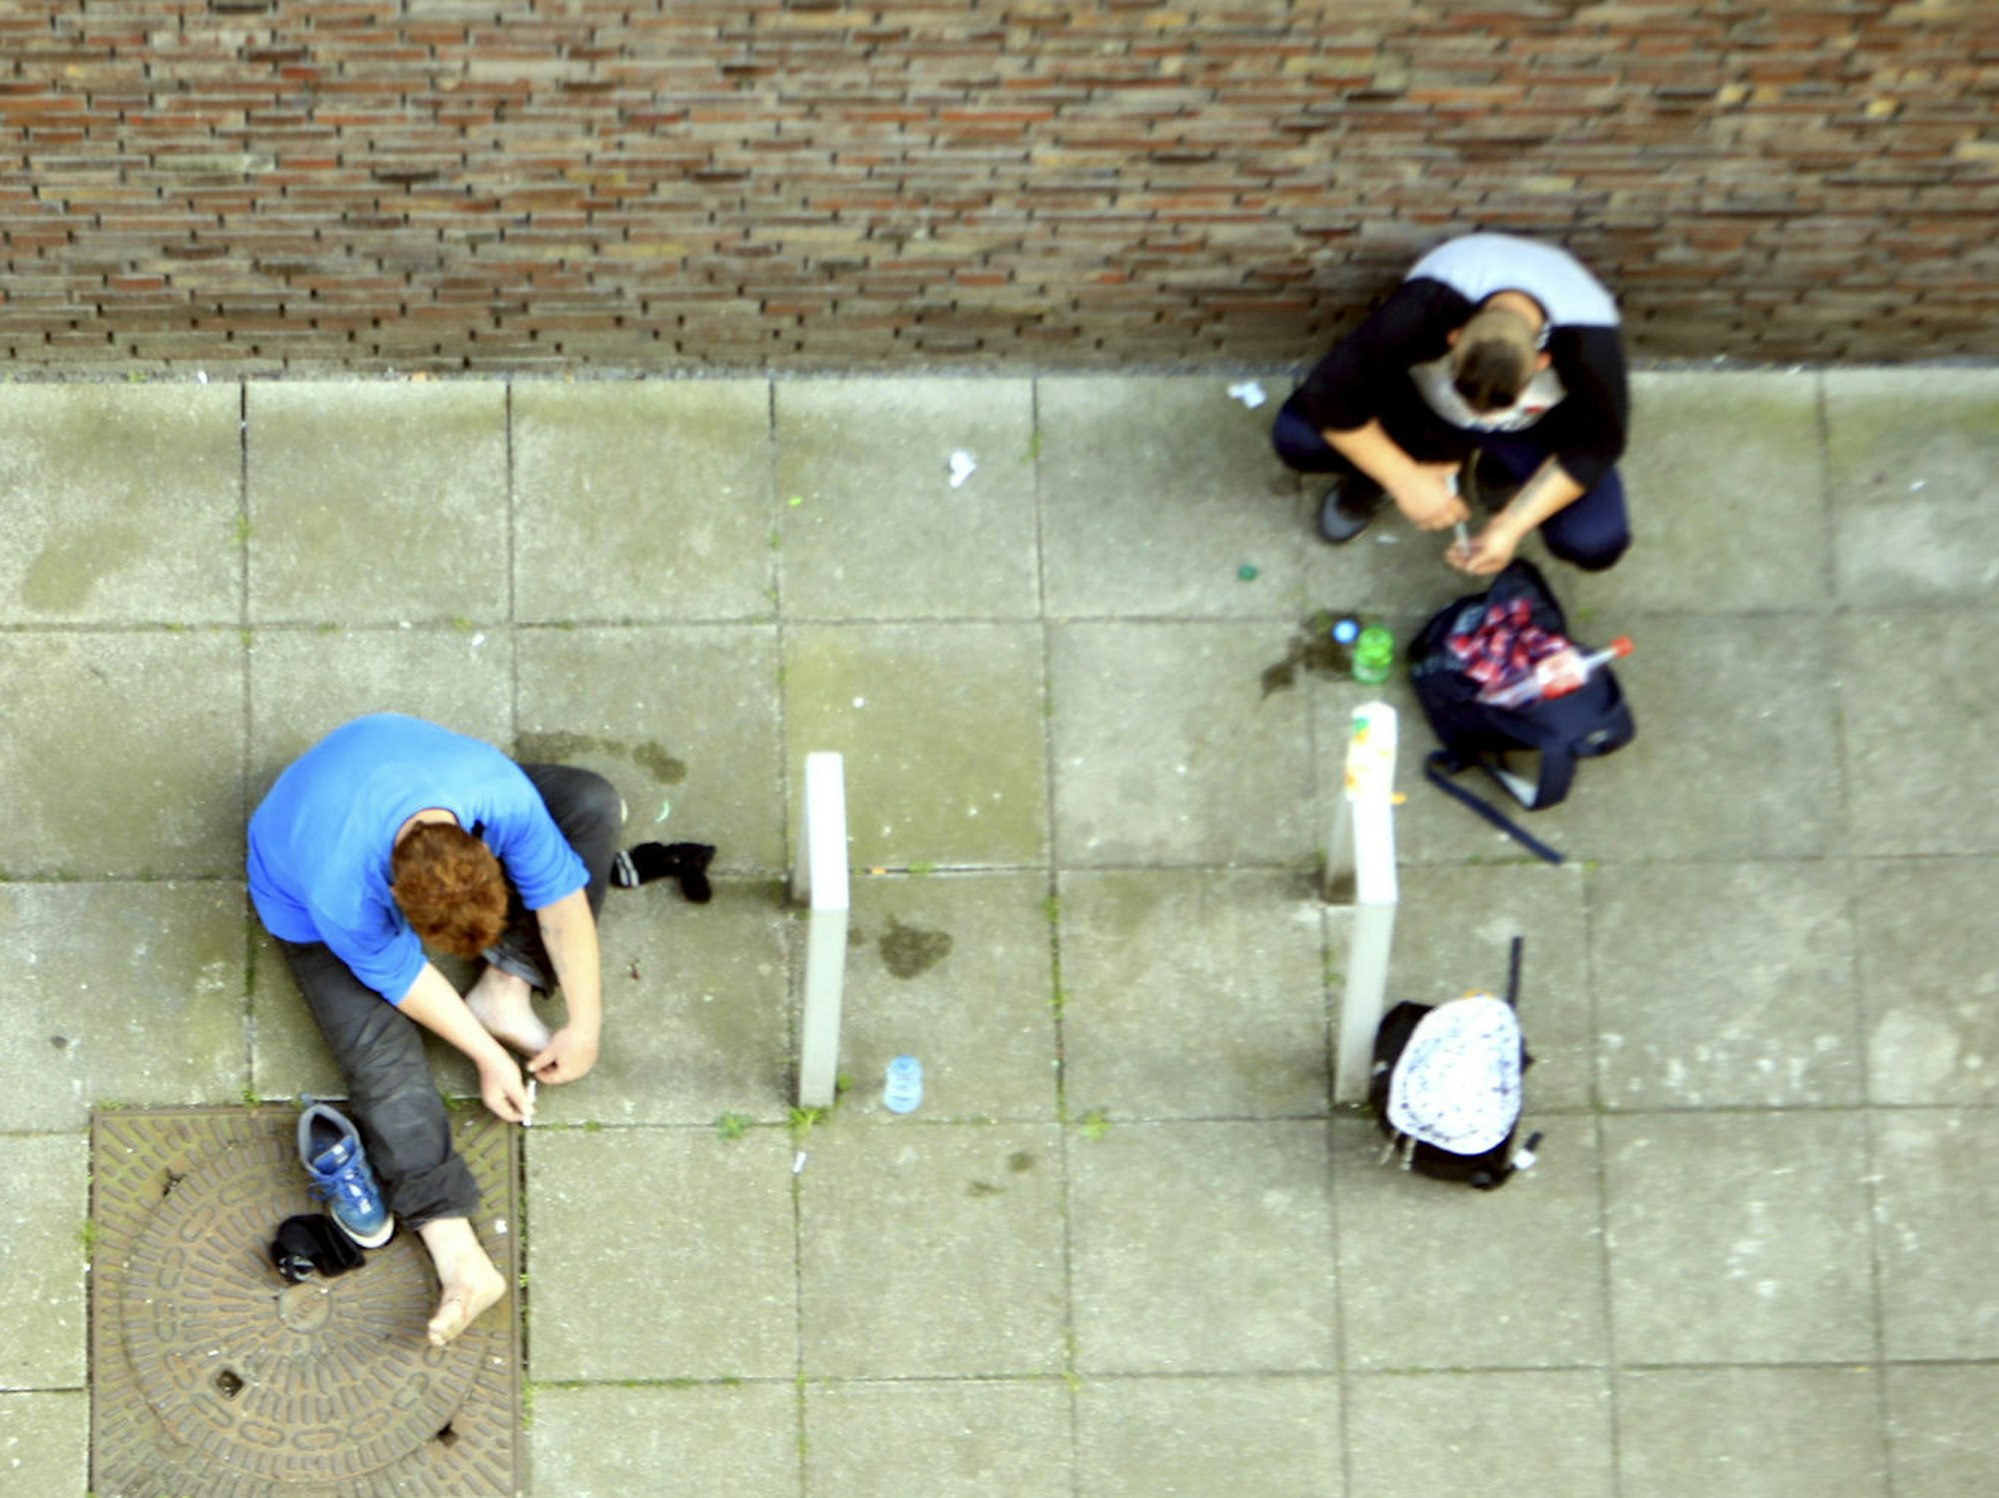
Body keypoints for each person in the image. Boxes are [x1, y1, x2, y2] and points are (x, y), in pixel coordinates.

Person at [248, 713, 621, 1348]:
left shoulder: (499, 796)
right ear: (393, 895)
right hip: (298, 882)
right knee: (378, 1053)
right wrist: (486, 1057)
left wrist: (586, 1024)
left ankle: (505, 990)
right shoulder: (344, 891)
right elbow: (406, 982)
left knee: (589, 803)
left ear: (486, 845)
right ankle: (456, 1252)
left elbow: (560, 904)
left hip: (385, 791)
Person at [1271, 231, 1631, 574]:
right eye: (1468, 395)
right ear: (1453, 338)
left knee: (1595, 538)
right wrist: (1401, 477)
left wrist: (1511, 525)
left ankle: (1499, 466)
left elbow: (1598, 446)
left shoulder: (1589, 341)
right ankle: (1377, 475)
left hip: (1526, 429)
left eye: (1498, 403)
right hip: (1426, 410)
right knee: (1297, 436)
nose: (1477, 415)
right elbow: (1330, 393)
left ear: (1542, 361)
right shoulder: (1424, 307)